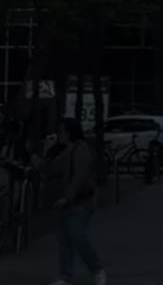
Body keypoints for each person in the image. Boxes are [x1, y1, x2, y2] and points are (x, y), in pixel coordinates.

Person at [43, 117, 106, 285]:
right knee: (64, 239)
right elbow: (48, 169)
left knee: (78, 235)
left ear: (70, 132)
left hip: (79, 200)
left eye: (62, 131)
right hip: (60, 201)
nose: (59, 135)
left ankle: (96, 269)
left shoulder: (81, 149)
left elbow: (80, 176)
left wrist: (67, 196)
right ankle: (65, 275)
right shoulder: (60, 150)